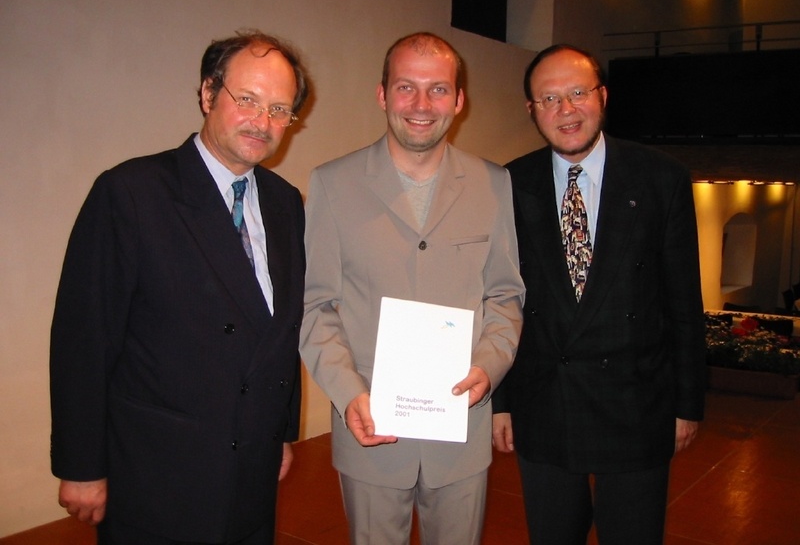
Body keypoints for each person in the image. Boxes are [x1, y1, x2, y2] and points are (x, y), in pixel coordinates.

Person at [50, 29, 309, 544]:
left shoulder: (285, 203)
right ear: (208, 94)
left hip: (251, 467)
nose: (263, 122)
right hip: (157, 469)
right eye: (249, 100)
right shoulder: (131, 193)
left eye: (280, 110)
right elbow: (84, 339)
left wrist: (280, 431)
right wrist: (81, 465)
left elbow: (281, 331)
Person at [300, 32, 524, 545]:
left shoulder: (494, 184)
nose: (422, 105)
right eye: (406, 87)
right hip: (370, 425)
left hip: (461, 424)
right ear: (383, 94)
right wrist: (347, 392)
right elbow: (316, 305)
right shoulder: (333, 184)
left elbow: (506, 294)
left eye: (438, 89)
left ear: (459, 100)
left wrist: (489, 367)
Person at [492, 44, 706, 545]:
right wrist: (500, 403)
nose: (565, 110)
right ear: (532, 110)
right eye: (549, 99)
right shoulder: (507, 182)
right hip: (544, 403)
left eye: (577, 93)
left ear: (602, 96)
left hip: (637, 403)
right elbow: (497, 300)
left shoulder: (661, 178)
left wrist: (687, 403)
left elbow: (683, 302)